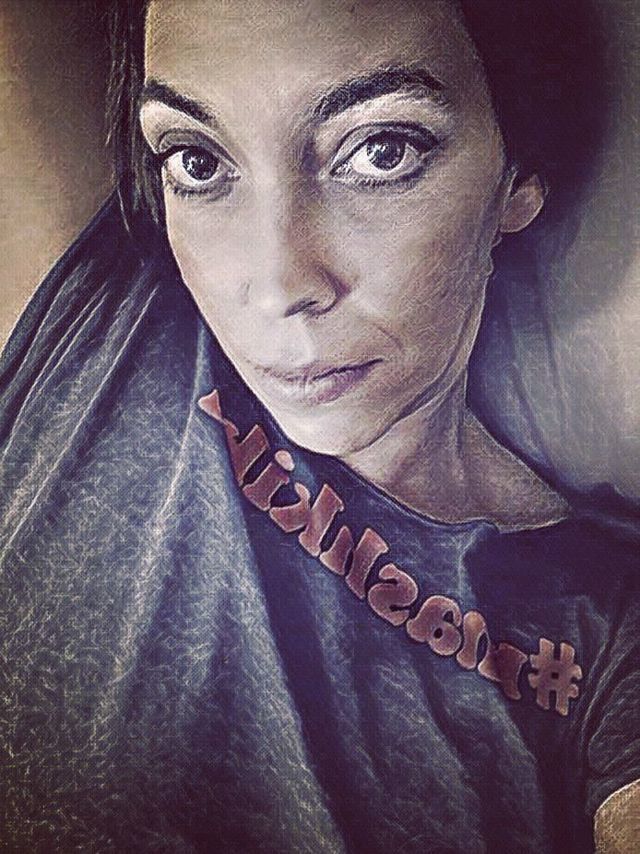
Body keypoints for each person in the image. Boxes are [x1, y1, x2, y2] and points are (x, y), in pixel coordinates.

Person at [0, 1, 637, 851]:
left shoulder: (608, 621)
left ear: (515, 178)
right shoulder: (100, 321)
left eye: (381, 151)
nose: (279, 284)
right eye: (197, 161)